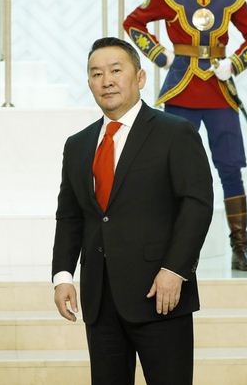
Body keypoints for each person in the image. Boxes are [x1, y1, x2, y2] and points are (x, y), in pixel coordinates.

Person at [52, 38, 213, 385]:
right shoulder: (78, 144)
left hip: (161, 292)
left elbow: (197, 205)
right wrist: (63, 276)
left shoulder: (175, 132)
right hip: (100, 298)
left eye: (115, 70)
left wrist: (175, 269)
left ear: (139, 77)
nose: (106, 81)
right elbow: (70, 216)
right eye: (96, 74)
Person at [122, 0, 247, 271]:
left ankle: (240, 247)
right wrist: (160, 55)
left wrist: (234, 63)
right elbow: (133, 22)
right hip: (181, 89)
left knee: (230, 168)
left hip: (219, 91)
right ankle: (173, 251)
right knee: (173, 172)